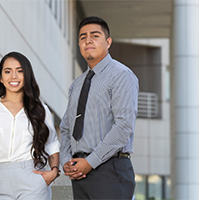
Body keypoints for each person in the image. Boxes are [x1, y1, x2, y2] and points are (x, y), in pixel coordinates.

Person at [59, 16, 139, 200]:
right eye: (83, 37)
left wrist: (90, 162)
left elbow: (123, 127)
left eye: (95, 35)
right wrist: (66, 162)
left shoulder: (121, 75)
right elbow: (65, 128)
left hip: (110, 170)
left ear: (108, 42)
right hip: (80, 174)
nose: (88, 40)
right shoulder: (77, 84)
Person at [0, 52, 61, 200]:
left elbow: (52, 145)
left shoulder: (41, 110)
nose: (13, 76)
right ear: (1, 78)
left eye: (20, 71)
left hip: (32, 179)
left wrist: (54, 171)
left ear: (27, 76)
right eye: (7, 71)